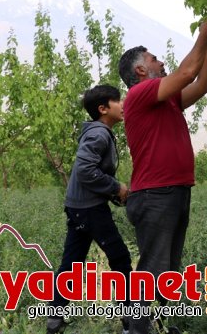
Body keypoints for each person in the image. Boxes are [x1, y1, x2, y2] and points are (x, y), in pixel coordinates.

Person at [118, 18, 207, 334]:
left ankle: (150, 326)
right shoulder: (140, 94)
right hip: (155, 195)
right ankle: (135, 329)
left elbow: (203, 84)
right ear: (140, 71)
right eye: (153, 59)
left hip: (172, 192)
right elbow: (188, 72)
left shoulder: (165, 99)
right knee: (152, 272)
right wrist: (206, 32)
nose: (161, 61)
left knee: (164, 274)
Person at [47, 85, 132, 334]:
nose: (123, 103)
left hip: (78, 207)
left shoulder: (98, 132)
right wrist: (116, 187)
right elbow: (85, 171)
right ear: (103, 109)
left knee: (71, 264)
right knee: (120, 258)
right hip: (89, 210)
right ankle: (132, 321)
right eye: (118, 100)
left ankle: (54, 319)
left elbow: (91, 173)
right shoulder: (100, 134)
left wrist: (115, 193)